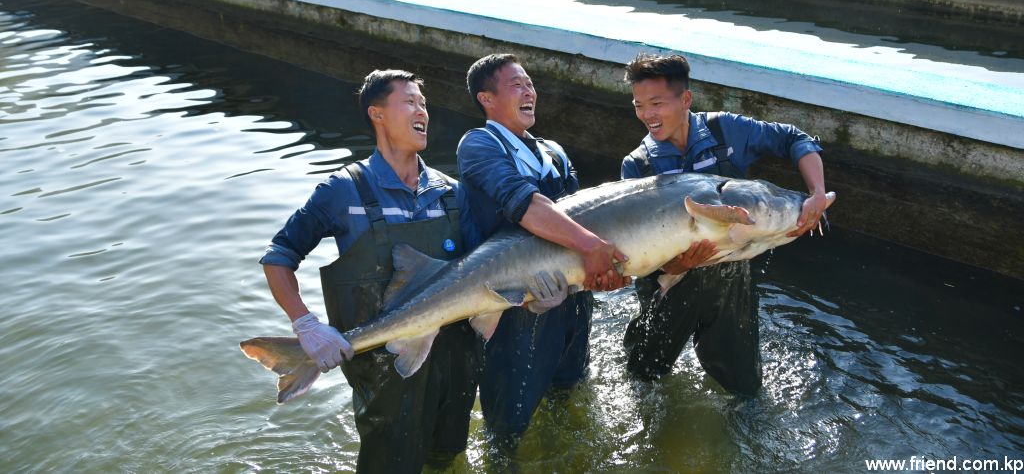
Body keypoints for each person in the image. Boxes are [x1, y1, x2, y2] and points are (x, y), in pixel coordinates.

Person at [259, 69, 482, 473]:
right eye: (410, 102)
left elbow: (485, 270)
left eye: (424, 104)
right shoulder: (343, 190)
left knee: (448, 460)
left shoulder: (452, 192)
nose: (423, 112)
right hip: (383, 368)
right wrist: (305, 325)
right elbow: (278, 257)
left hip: (457, 359)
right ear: (377, 114)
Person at [620, 52, 829, 395]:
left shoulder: (725, 131)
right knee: (645, 379)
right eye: (639, 105)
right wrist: (677, 265)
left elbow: (794, 139)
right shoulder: (638, 166)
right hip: (670, 283)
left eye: (656, 103)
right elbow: (638, 256)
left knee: (744, 388)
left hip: (730, 278)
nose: (647, 115)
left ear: (686, 99)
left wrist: (817, 193)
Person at [456, 53, 631, 444]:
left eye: (530, 84)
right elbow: (526, 207)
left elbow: (585, 217)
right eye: (517, 84)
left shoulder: (552, 150)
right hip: (515, 300)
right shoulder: (479, 145)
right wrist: (593, 246)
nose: (529, 90)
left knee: (570, 389)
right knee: (508, 425)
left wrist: (600, 274)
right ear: (487, 99)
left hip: (570, 295)